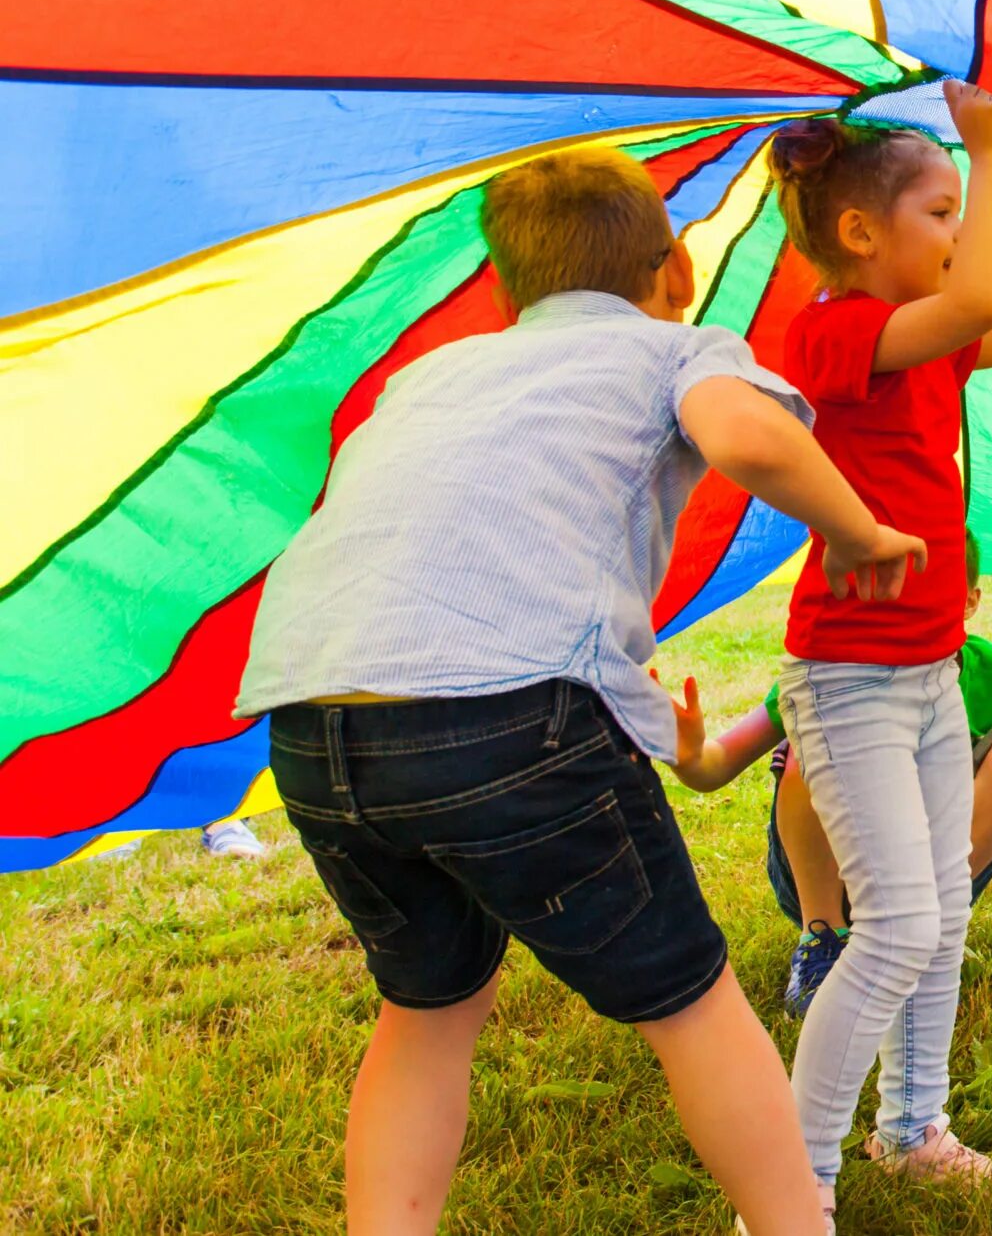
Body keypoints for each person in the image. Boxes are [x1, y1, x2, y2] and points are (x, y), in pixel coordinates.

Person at [232, 145, 925, 1236]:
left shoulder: (427, 373)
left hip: (314, 724)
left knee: (426, 1009)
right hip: (509, 713)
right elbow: (748, 435)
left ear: (506, 291)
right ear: (678, 272)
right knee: (693, 1007)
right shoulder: (672, 347)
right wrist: (860, 528)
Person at [763, 82, 992, 1206]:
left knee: (941, 914)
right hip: (851, 674)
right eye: (944, 210)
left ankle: (914, 1128)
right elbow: (970, 306)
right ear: (862, 232)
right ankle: (791, 1193)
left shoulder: (927, 347)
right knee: (899, 924)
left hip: (925, 671)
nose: (964, 234)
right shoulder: (837, 333)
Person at [659, 528, 992, 1017]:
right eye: (895, 592)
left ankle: (918, 938)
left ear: (969, 601)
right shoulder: (833, 670)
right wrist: (689, 754)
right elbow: (715, 767)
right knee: (813, 739)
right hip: (826, 880)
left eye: (933, 593)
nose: (910, 611)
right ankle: (822, 943)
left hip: (931, 882)